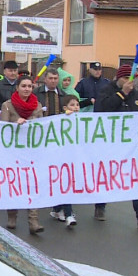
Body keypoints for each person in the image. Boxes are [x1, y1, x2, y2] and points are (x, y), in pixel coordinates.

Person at [93, 64, 138, 228]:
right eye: (126, 78)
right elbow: (101, 109)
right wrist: (122, 94)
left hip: (130, 146)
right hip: (109, 143)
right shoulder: (106, 90)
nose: (129, 82)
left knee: (136, 176)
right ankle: (100, 206)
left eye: (132, 79)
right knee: (107, 174)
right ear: (119, 78)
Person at [0, 75, 44, 234]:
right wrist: (15, 124)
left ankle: (34, 221)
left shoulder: (37, 105)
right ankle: (12, 216)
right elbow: (3, 129)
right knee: (14, 184)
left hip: (32, 151)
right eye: (24, 86)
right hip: (14, 152)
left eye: (30, 86)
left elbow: (42, 127)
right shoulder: (7, 105)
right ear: (17, 87)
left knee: (32, 185)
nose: (27, 89)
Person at [49, 94, 81, 227]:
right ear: (65, 107)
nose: (75, 108)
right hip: (62, 159)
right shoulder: (60, 121)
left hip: (75, 158)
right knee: (65, 184)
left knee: (67, 184)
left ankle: (57, 209)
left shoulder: (84, 120)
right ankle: (69, 214)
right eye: (72, 105)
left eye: (77, 105)